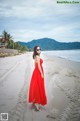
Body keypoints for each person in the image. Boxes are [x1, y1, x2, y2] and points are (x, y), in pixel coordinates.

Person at [28, 45, 47, 111]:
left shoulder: (36, 56)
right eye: (37, 49)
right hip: (38, 72)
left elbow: (35, 65)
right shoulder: (37, 56)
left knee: (36, 86)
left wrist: (38, 72)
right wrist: (41, 73)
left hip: (36, 72)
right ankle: (37, 103)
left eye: (39, 49)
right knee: (39, 87)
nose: (39, 50)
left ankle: (36, 101)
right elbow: (38, 66)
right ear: (35, 50)